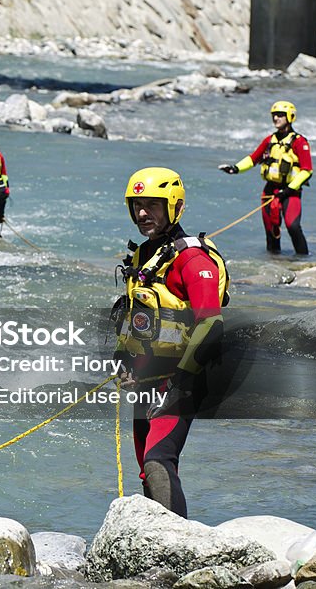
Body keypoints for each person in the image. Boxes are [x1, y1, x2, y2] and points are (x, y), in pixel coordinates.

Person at [112, 167, 229, 518]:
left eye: (153, 205)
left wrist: (179, 380)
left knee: (158, 458)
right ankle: (153, 548)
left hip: (183, 377)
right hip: (144, 380)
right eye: (137, 206)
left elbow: (211, 324)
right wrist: (122, 357)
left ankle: (176, 544)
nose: (143, 213)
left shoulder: (192, 260)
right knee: (146, 467)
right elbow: (136, 317)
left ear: (174, 206)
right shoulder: (143, 257)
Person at [218, 100, 313, 255]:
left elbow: (307, 170)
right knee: (271, 229)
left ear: (290, 117)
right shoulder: (269, 140)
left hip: (290, 192)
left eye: (280, 115)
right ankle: (273, 263)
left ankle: (303, 261)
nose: (276, 118)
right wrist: (235, 168)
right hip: (270, 190)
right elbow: (253, 159)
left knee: (293, 226)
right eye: (274, 115)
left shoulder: (299, 142)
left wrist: (289, 189)